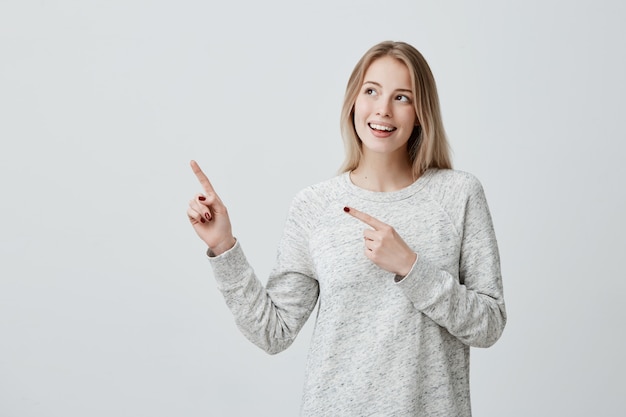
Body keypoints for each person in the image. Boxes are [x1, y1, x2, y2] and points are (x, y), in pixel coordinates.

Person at [187, 40, 506, 417]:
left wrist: (411, 268)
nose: (383, 110)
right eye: (371, 91)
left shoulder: (459, 195)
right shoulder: (315, 206)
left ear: (421, 113)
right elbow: (273, 332)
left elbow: (488, 325)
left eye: (402, 97)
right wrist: (224, 247)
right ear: (354, 101)